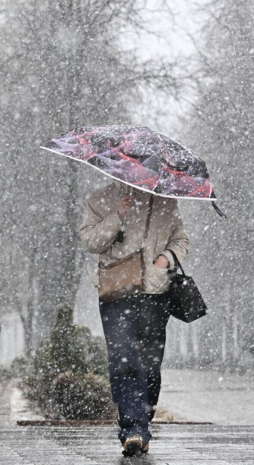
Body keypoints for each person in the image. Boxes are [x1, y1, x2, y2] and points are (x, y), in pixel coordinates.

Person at [79, 182, 189, 457]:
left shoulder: (165, 201)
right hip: (116, 292)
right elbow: (90, 241)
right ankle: (133, 428)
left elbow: (181, 239)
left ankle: (141, 422)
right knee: (124, 359)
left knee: (151, 368)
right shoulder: (99, 199)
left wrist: (165, 259)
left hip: (155, 293)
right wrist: (118, 216)